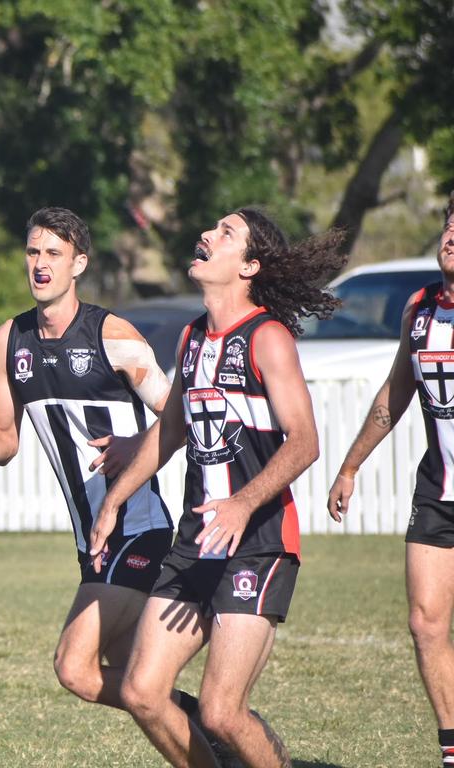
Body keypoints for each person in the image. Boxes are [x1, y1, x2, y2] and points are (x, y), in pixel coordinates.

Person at [0, 207, 210, 744]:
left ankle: (218, 728)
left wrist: (134, 445)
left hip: (140, 527)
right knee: (136, 681)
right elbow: (4, 442)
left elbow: (180, 417)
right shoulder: (8, 341)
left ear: (78, 263)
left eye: (54, 254)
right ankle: (221, 731)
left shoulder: (113, 335)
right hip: (92, 541)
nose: (40, 264)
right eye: (34, 252)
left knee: (75, 666)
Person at [90, 208, 346, 767]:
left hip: (258, 541)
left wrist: (242, 502)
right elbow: (172, 430)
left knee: (222, 714)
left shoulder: (268, 338)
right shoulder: (191, 337)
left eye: (225, 234)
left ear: (249, 265)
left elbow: (304, 442)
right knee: (140, 692)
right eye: (212, 229)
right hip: (195, 545)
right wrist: (114, 500)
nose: (206, 235)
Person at [328, 193, 454, 768]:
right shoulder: (420, 309)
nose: (451, 236)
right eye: (450, 225)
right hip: (439, 489)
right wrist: (351, 466)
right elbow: (394, 395)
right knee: (424, 621)